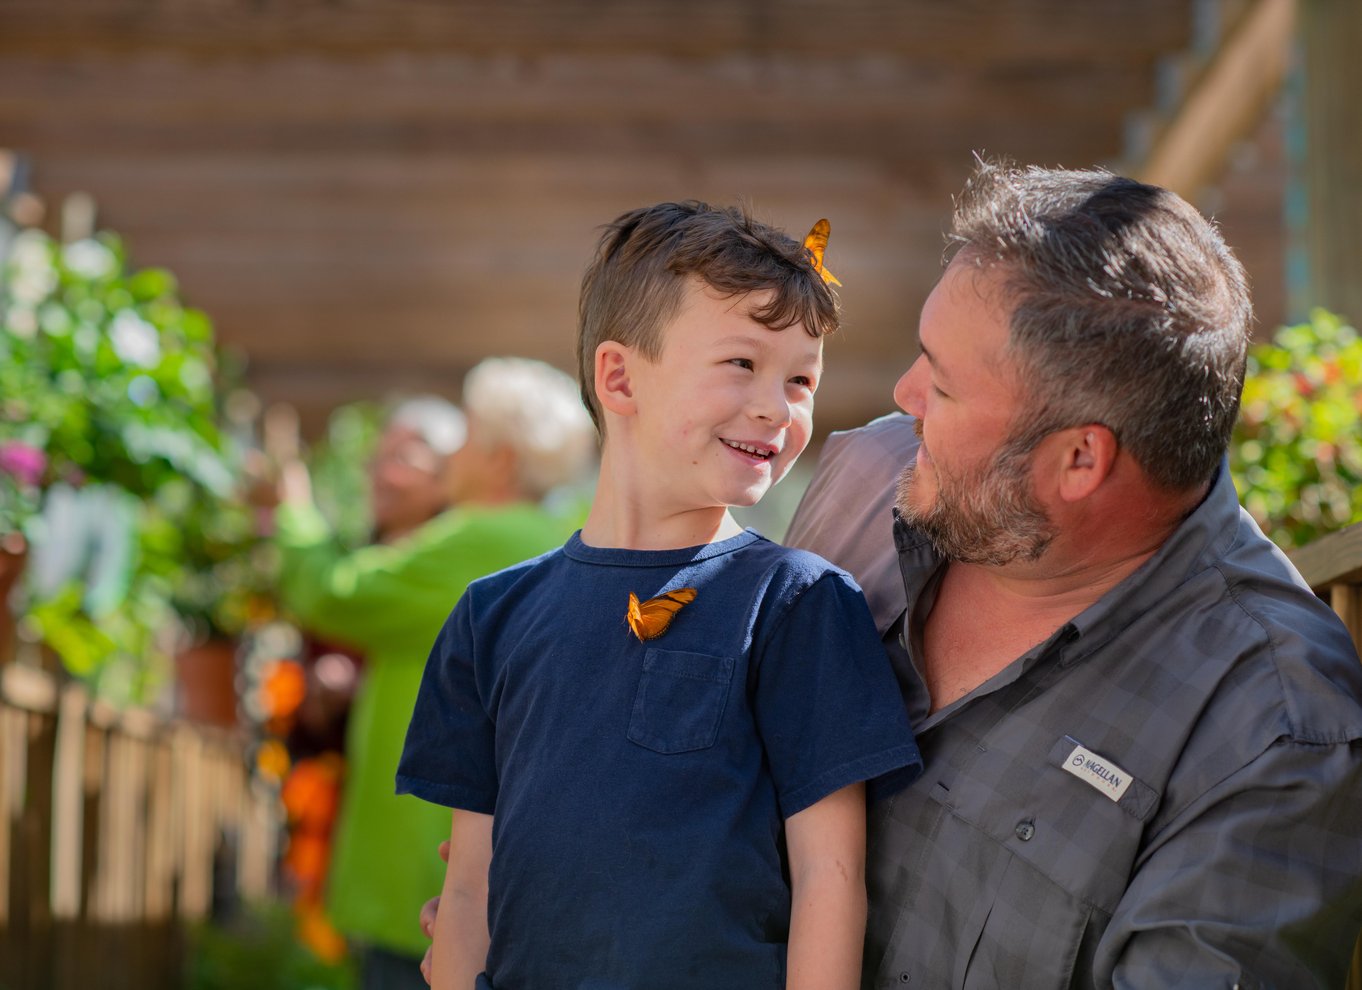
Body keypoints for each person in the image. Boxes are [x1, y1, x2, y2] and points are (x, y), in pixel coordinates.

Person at [783, 161, 1362, 988]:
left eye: (943, 386)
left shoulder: (1269, 725)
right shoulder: (871, 473)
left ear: (1080, 459)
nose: (905, 396)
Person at [396, 201, 922, 990]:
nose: (778, 408)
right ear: (619, 377)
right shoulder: (492, 617)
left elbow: (831, 879)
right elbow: (471, 884)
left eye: (802, 380)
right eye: (742, 364)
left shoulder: (800, 604)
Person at [271, 363, 595, 990]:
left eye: (467, 435)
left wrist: (293, 510)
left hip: (432, 852)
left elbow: (333, 594)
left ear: (501, 458)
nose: (454, 452)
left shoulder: (477, 537)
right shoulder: (554, 534)